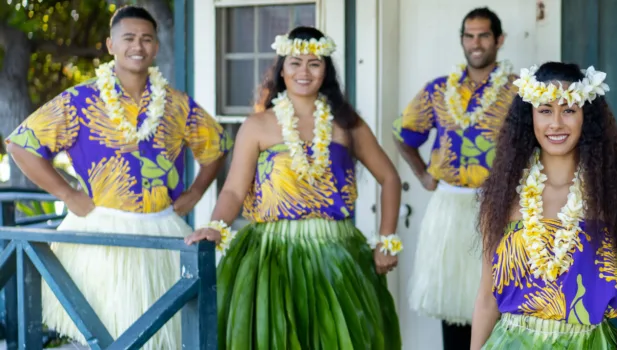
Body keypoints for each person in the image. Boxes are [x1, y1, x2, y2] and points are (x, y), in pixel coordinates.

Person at [4, 5, 230, 349]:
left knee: (162, 336)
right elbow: (21, 145)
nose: (137, 46)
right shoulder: (80, 100)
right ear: (111, 44)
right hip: (101, 230)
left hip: (162, 230)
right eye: (128, 38)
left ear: (155, 46)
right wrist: (67, 194)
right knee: (102, 332)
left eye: (146, 39)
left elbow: (216, 149)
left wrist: (197, 192)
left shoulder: (177, 104)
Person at [184, 26, 403, 349]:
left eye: (314, 64)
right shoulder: (258, 125)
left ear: (325, 71)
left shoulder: (346, 124)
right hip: (272, 255)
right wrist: (216, 226)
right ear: (281, 71)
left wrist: (387, 239)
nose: (304, 71)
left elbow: (390, 178)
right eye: (295, 63)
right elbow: (233, 190)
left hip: (337, 252)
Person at [470, 62, 617, 349]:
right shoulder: (502, 196)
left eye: (568, 110)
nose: (556, 123)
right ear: (530, 117)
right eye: (545, 111)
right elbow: (486, 297)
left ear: (586, 117)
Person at [394, 6, 518, 347]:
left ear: (499, 39)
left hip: (502, 208)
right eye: (469, 35)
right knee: (454, 311)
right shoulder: (438, 91)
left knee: (504, 305)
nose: (475, 43)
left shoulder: (519, 91)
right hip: (450, 208)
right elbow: (404, 134)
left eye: (483, 35)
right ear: (462, 40)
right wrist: (423, 176)